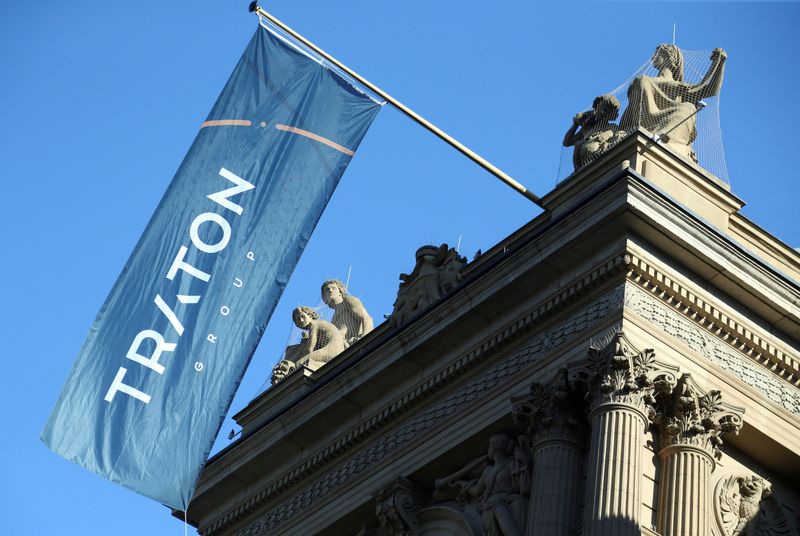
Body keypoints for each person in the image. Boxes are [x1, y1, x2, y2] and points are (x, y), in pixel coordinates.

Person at [621, 44, 727, 161]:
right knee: (640, 80)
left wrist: (719, 63)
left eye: (658, 54)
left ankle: (664, 138)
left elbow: (710, 90)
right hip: (641, 123)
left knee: (688, 108)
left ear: (669, 57)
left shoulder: (680, 88)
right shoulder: (644, 80)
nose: (653, 58)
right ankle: (648, 135)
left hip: (668, 124)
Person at [563, 94, 627, 169]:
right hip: (582, 168)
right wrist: (575, 125)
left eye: (606, 110)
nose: (602, 111)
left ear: (611, 114)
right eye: (600, 107)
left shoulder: (612, 128)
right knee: (578, 144)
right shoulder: (588, 128)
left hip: (601, 164)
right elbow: (567, 142)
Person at [321, 280, 373, 346]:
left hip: (357, 343)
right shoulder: (333, 319)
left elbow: (367, 319)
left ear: (340, 292)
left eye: (333, 288)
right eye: (327, 290)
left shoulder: (348, 300)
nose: (330, 291)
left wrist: (365, 338)